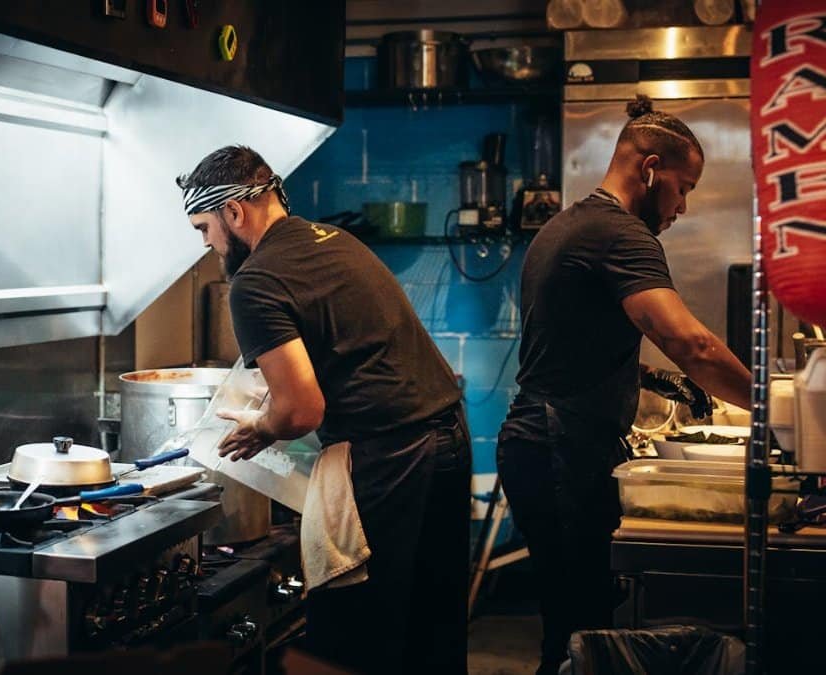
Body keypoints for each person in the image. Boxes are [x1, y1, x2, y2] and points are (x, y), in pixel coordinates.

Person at [176, 146, 472, 674]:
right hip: (447, 438)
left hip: (391, 459)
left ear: (234, 212)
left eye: (204, 228)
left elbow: (300, 411)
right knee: (431, 630)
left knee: (355, 636)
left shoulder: (255, 281)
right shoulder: (332, 239)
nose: (206, 244)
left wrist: (258, 429)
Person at [495, 95, 752, 675]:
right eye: (683, 187)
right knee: (578, 636)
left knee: (575, 630)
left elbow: (573, 344)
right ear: (650, 169)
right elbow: (694, 345)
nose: (683, 206)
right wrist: (773, 415)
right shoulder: (620, 236)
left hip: (545, 445)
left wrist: (655, 378)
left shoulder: (573, 223)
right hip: (561, 453)